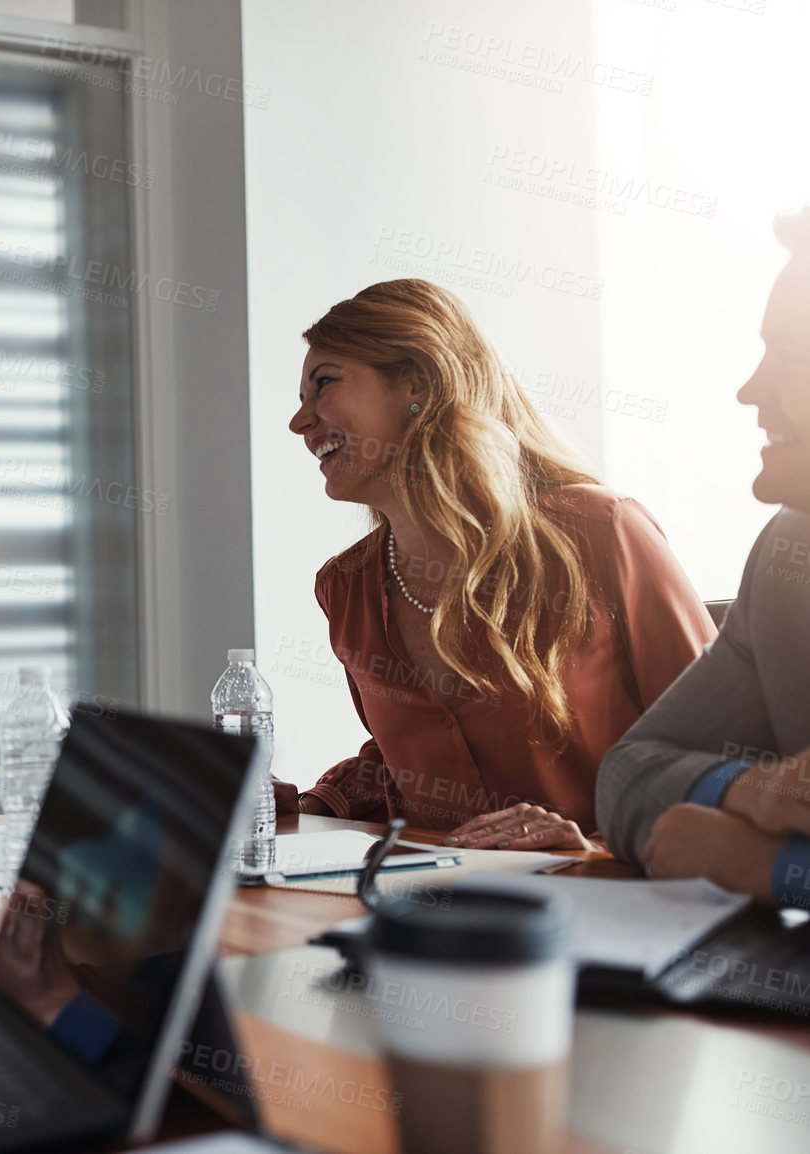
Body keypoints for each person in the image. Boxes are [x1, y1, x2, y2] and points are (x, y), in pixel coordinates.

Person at [280, 279, 715, 848]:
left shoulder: (602, 532)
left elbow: (717, 754)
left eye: (324, 384)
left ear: (418, 381)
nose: (300, 422)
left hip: (616, 905)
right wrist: (302, 806)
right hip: (437, 913)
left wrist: (598, 848)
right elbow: (402, 762)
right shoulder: (346, 587)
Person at [598, 210, 810, 909]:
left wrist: (772, 867)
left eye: (790, 356)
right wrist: (748, 791)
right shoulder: (787, 558)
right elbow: (627, 775)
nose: (751, 390)